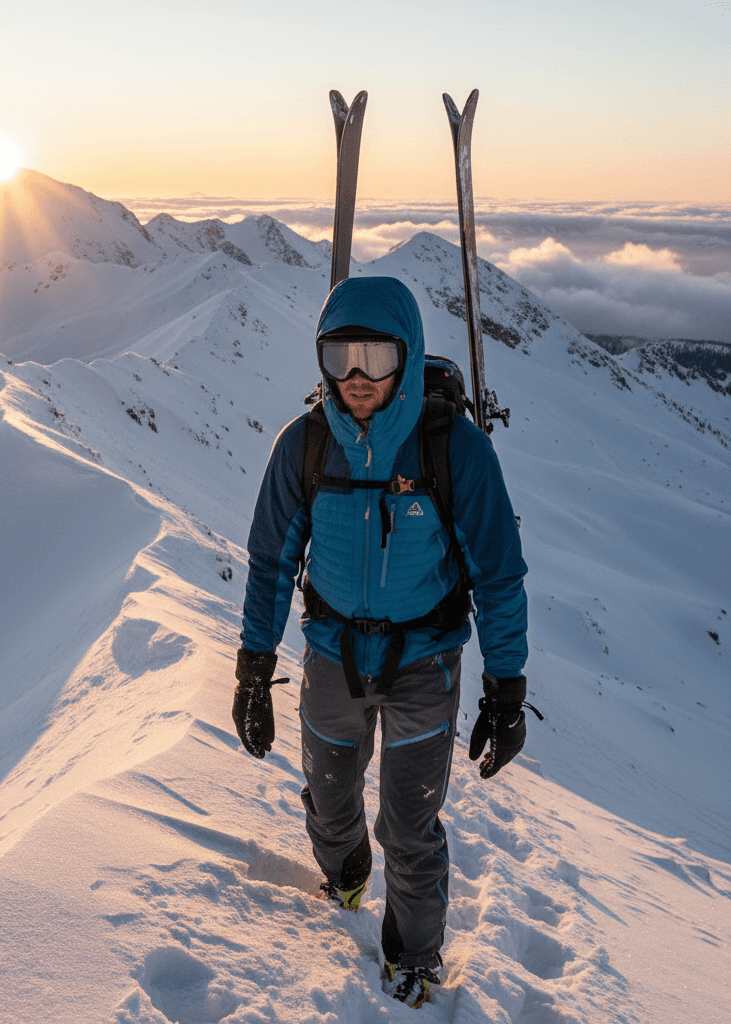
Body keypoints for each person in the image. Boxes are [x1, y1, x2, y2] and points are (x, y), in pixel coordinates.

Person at [232, 276, 529, 1009]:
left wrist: (507, 688)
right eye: (339, 358)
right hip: (332, 653)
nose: (355, 377)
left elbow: (497, 573)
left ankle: (415, 955)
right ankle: (345, 871)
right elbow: (271, 561)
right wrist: (253, 668)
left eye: (373, 356)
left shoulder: (454, 451)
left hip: (423, 660)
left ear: (408, 355)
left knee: (410, 821)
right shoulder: (303, 448)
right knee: (330, 803)